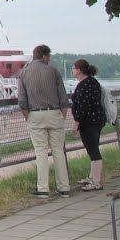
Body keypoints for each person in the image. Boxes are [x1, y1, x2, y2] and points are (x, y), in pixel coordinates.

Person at [17, 44, 70, 197]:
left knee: (41, 152)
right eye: (49, 57)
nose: (49, 60)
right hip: (54, 113)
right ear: (45, 56)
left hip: (35, 114)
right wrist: (62, 115)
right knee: (58, 151)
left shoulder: (24, 73)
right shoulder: (53, 71)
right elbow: (63, 98)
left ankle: (43, 189)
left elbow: (22, 100)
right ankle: (64, 187)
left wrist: (28, 117)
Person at [71, 59, 107, 191]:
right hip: (97, 119)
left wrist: (76, 123)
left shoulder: (83, 85)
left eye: (74, 68)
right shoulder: (93, 82)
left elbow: (82, 107)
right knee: (93, 146)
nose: (73, 71)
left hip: (89, 122)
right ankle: (92, 177)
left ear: (79, 70)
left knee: (93, 151)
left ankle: (96, 181)